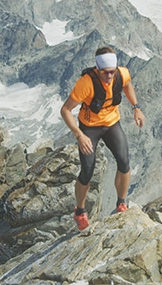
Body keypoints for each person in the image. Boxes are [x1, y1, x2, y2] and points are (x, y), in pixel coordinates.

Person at [60, 46, 145, 230]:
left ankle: (121, 203)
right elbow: (65, 110)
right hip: (89, 128)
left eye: (112, 72)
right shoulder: (86, 83)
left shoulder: (121, 74)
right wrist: (79, 135)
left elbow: (128, 84)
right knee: (87, 171)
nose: (109, 76)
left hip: (112, 123)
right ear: (97, 69)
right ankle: (80, 211)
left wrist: (136, 107)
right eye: (105, 72)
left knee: (124, 162)